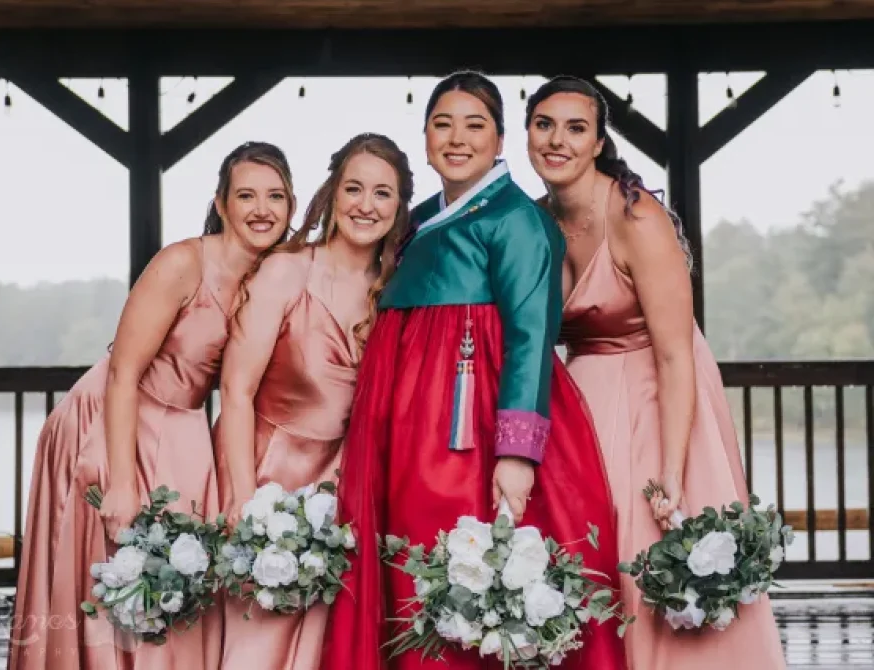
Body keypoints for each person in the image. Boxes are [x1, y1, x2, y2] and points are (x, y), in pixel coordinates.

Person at [320, 71, 627, 670]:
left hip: (467, 426)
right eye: (442, 124)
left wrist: (516, 453)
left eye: (474, 124)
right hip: (407, 424)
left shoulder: (515, 218)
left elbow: (531, 335)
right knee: (408, 568)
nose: (456, 138)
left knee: (457, 565)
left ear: (500, 138)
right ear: (426, 136)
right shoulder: (420, 217)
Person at [525, 74, 786, 669]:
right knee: (584, 557)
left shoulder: (637, 216)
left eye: (575, 128)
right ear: (528, 135)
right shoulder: (534, 220)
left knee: (648, 552)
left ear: (598, 143)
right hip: (583, 397)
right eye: (544, 125)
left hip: (656, 394)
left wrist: (674, 468)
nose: (556, 140)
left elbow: (674, 351)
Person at [8, 141, 294, 670]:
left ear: (291, 205)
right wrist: (120, 480)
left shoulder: (272, 278)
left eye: (275, 196)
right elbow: (123, 372)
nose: (262, 209)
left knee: (177, 581)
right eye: (247, 195)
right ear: (221, 202)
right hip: (112, 418)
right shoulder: (183, 262)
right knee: (105, 572)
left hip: (183, 429)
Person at [212, 133, 414, 670]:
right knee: (256, 642)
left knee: (324, 650)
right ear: (332, 193)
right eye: (353, 188)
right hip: (266, 470)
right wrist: (242, 496)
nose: (365, 206)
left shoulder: (396, 289)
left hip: (344, 485)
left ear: (399, 208)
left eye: (382, 193)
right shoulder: (288, 270)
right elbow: (236, 391)